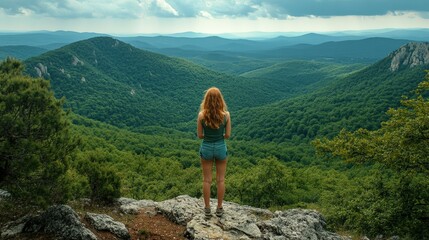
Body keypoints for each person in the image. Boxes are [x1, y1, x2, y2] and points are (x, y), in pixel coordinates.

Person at [197, 87, 231, 219]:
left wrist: (209, 134)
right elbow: (227, 135)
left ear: (206, 100)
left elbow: (200, 135)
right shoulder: (226, 115)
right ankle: (219, 208)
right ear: (220, 99)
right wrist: (219, 134)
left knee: (206, 180)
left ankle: (207, 209)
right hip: (221, 147)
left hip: (206, 147)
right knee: (220, 180)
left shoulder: (201, 115)